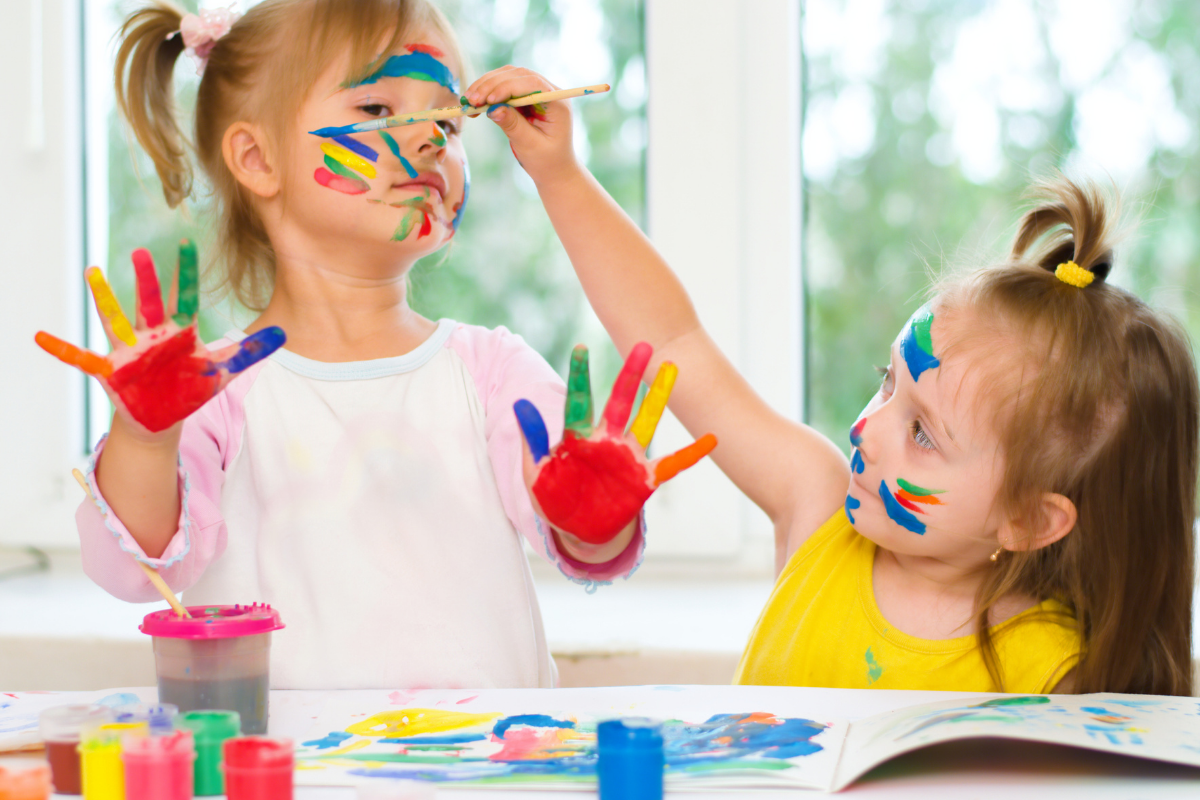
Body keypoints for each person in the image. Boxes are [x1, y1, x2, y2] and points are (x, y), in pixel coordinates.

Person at [36, 0, 711, 690]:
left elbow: (578, 533)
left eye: (446, 122)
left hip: (482, 770)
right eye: (379, 111)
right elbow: (135, 567)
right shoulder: (216, 394)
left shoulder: (492, 374)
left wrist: (594, 521)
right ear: (257, 157)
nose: (430, 142)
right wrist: (147, 439)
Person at [472, 66, 1197, 695]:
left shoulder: (1055, 676)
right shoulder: (817, 504)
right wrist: (559, 174)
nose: (867, 429)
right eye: (888, 383)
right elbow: (674, 342)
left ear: (1031, 520)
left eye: (922, 433)